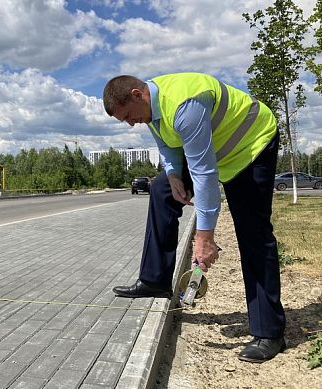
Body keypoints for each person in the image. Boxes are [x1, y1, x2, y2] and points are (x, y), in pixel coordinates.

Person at [102, 72, 286, 363]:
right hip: (215, 152)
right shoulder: (151, 112)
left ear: (138, 95)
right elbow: (167, 146)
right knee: (161, 188)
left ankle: (269, 331)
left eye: (128, 116)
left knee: (254, 232)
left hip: (251, 145)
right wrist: (174, 174)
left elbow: (205, 173)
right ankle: (155, 280)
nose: (130, 123)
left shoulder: (184, 104)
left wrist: (205, 236)